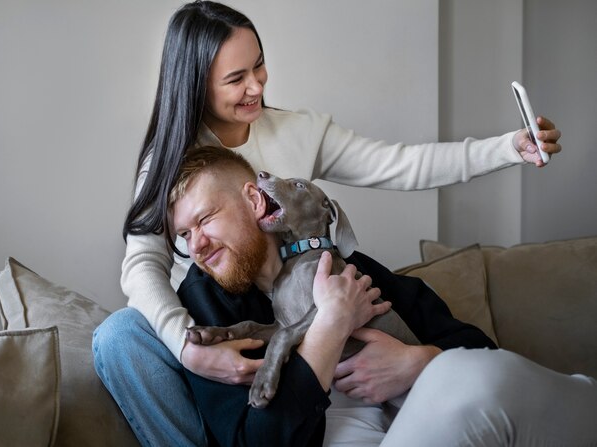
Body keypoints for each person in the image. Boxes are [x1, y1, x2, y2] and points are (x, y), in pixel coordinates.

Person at [95, 0, 565, 444]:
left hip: (304, 305)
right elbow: (141, 265)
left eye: (258, 65)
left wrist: (506, 149)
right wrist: (187, 346)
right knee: (118, 336)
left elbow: (401, 164)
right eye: (236, 78)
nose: (257, 86)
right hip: (214, 322)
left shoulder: (298, 133)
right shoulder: (172, 165)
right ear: (197, 84)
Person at [94, 146, 597, 446]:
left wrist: (417, 362)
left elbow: (476, 348)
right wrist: (330, 328)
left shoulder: (344, 265)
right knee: (475, 383)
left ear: (253, 200)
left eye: (204, 220)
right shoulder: (208, 310)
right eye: (182, 236)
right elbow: (255, 442)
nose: (195, 245)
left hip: (441, 421)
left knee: (476, 376)